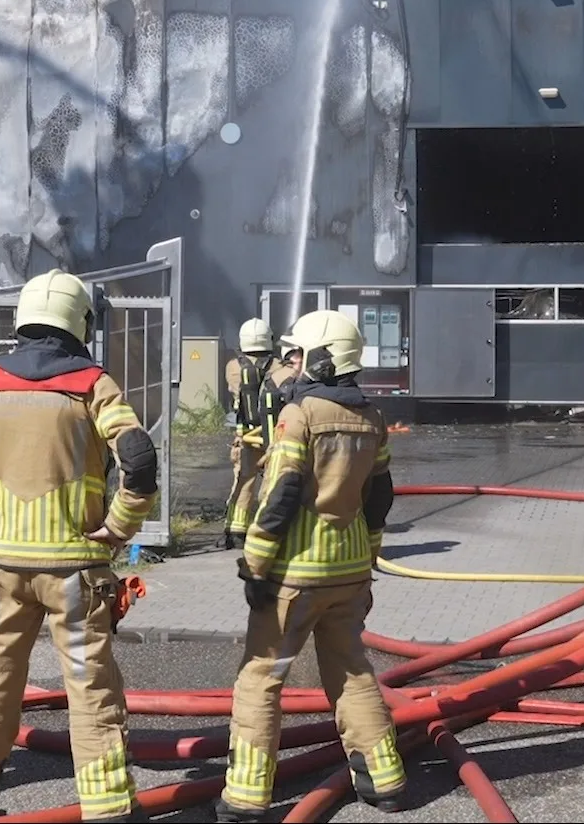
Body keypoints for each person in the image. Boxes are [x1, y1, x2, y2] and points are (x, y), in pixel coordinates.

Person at [0, 268, 158, 822]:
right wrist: (120, 525)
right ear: (81, 322)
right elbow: (139, 459)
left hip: (4, 565)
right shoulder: (93, 384)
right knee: (89, 685)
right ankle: (105, 806)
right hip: (74, 570)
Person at [218, 309, 404, 822]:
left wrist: (254, 563)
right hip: (347, 574)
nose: (292, 363)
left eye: (298, 354)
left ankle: (246, 797)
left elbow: (280, 493)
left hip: (295, 576)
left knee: (261, 677)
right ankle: (385, 781)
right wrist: (368, 559)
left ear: (321, 359)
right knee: (351, 673)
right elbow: (380, 496)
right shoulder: (372, 419)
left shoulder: (300, 415)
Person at [220, 318, 277, 549]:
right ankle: (267, 530)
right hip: (272, 436)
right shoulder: (279, 367)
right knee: (272, 482)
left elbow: (235, 394)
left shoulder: (233, 367)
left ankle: (235, 530)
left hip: (244, 436)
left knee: (243, 481)